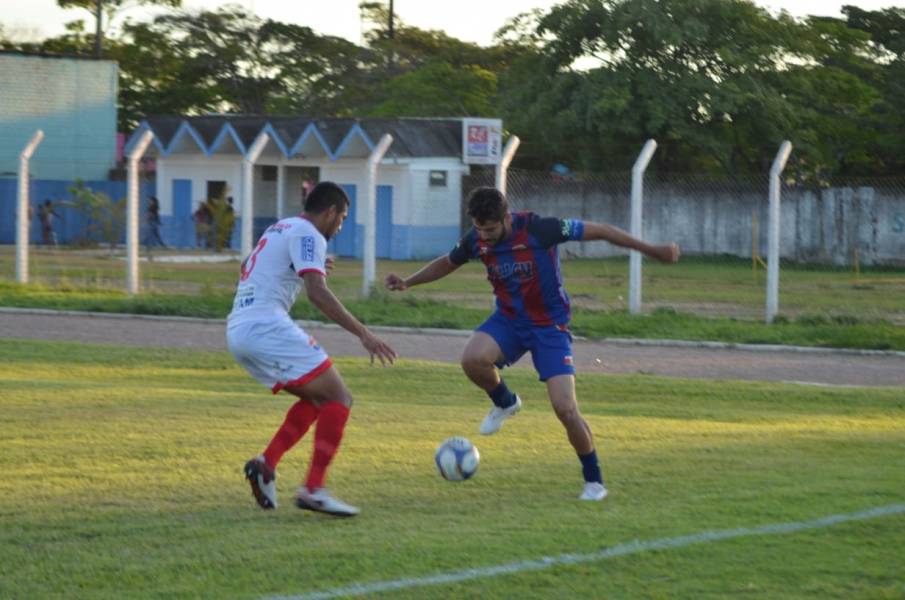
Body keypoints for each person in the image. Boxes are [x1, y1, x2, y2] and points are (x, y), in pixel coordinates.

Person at [385, 187, 680, 501]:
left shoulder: (541, 229)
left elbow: (603, 231)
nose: (483, 236)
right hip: (509, 320)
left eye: (490, 229)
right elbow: (448, 262)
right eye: (479, 229)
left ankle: (594, 481)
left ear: (507, 219)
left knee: (565, 409)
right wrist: (408, 281)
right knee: (472, 359)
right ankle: (505, 402)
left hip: (549, 328)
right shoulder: (476, 239)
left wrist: (653, 250)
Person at [228, 181, 397, 517]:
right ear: (331, 211)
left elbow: (247, 266)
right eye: (343, 217)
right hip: (266, 326)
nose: (341, 225)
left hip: (238, 328)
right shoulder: (309, 234)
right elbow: (317, 293)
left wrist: (302, 266)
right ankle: (314, 489)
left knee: (318, 398)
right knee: (339, 397)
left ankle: (266, 464)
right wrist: (364, 333)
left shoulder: (281, 227)